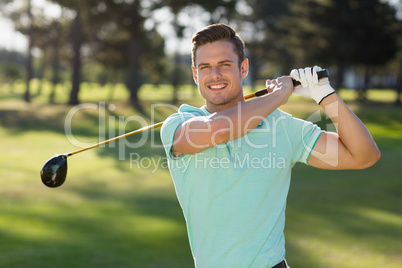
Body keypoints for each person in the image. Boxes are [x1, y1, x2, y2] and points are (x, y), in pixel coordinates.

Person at [160, 23, 380, 268]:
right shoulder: (178, 124)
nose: (215, 75)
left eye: (224, 64)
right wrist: (278, 96)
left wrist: (326, 95)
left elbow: (364, 156)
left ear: (243, 68)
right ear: (195, 74)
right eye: (205, 67)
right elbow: (219, 130)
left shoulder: (283, 127)